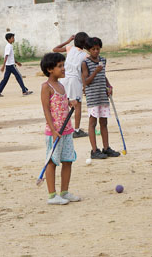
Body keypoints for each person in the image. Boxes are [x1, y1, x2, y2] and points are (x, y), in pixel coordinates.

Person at [40, 52, 81, 205]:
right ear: (50, 69)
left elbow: (61, 103)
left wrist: (70, 103)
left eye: (63, 65)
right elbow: (46, 110)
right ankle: (52, 195)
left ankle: (64, 192)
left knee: (68, 160)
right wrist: (53, 130)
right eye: (60, 66)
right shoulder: (46, 87)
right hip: (55, 132)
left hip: (67, 130)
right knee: (52, 162)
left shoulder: (61, 85)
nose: (63, 69)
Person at [81, 37, 120, 160]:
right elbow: (86, 81)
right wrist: (95, 72)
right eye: (93, 49)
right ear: (88, 50)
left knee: (104, 122)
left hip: (103, 96)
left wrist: (109, 85)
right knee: (93, 123)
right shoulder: (85, 63)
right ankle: (94, 150)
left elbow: (104, 75)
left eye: (98, 49)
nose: (96, 51)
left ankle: (106, 148)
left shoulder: (103, 60)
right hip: (93, 97)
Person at [53, 32, 90, 138]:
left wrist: (67, 41)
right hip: (75, 81)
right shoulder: (85, 56)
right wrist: (84, 86)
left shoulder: (70, 48)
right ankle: (77, 130)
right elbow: (84, 73)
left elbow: (55, 49)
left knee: (64, 104)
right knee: (77, 106)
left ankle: (62, 128)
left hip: (64, 79)